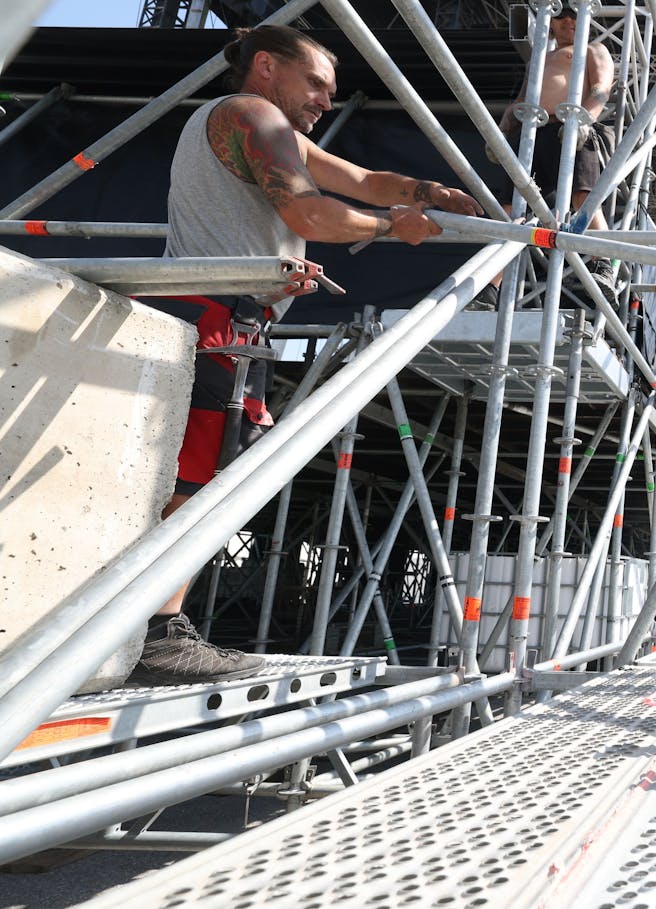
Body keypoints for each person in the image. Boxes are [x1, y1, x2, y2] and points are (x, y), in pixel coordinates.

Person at [134, 24, 482, 686]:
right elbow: (313, 215)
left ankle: (153, 622)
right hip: (217, 316)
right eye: (316, 82)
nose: (325, 98)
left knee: (203, 478)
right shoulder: (252, 114)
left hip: (230, 317)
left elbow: (363, 178)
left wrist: (423, 193)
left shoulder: (269, 128)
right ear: (266, 66)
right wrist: (391, 228)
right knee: (196, 483)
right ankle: (156, 631)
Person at [496, 4, 618, 292]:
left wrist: (585, 122)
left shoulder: (593, 50)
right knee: (510, 208)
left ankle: (605, 263)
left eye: (574, 15)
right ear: (550, 22)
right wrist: (501, 131)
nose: (568, 21)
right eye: (561, 16)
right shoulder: (539, 59)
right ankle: (492, 285)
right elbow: (522, 98)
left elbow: (601, 88)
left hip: (572, 127)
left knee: (582, 197)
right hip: (532, 133)